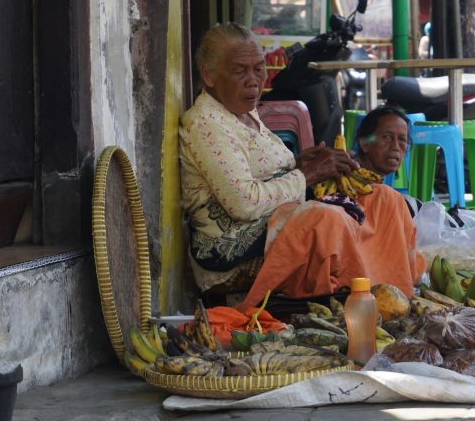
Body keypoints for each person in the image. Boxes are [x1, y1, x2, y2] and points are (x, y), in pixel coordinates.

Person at [179, 22, 426, 308]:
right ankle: (362, 303)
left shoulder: (243, 113)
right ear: (208, 75)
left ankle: (396, 297)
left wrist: (299, 161)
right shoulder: (206, 124)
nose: (253, 81)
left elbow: (259, 169)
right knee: (328, 221)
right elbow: (243, 203)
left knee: (384, 200)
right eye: (239, 71)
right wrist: (306, 174)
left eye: (259, 69)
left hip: (273, 218)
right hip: (231, 247)